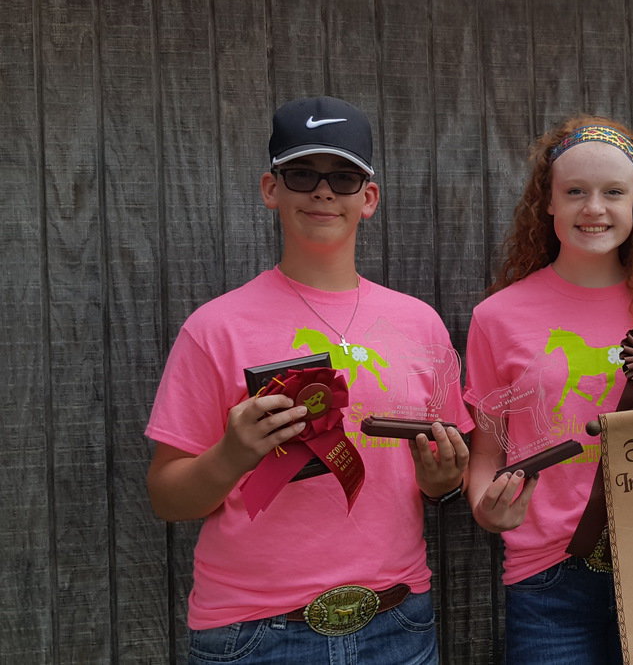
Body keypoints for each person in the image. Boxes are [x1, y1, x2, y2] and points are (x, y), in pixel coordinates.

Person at [144, 95, 471, 664]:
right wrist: (230, 455)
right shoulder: (215, 328)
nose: (323, 192)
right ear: (272, 189)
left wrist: (442, 480)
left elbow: (442, 480)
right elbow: (167, 498)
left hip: (398, 620)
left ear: (368, 199)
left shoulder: (421, 324)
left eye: (343, 178)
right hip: (254, 632)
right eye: (302, 174)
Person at [463, 116, 633, 663]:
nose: (593, 208)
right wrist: (487, 509)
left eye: (612, 193)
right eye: (575, 191)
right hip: (548, 579)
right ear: (547, 203)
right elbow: (485, 451)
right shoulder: (496, 318)